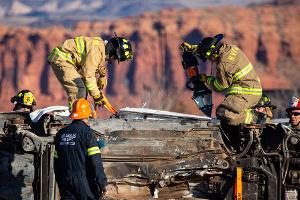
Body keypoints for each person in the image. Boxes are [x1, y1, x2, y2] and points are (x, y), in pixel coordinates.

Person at [181, 34, 262, 126]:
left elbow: (220, 86)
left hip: (247, 93)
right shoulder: (229, 48)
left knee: (223, 113)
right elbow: (209, 49)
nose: (210, 60)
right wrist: (192, 48)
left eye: (209, 58)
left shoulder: (224, 64)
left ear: (213, 54)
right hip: (252, 89)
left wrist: (206, 79)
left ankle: (255, 118)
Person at [48, 34, 133, 110]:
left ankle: (79, 117)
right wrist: (97, 96)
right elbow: (88, 76)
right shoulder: (96, 51)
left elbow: (89, 76)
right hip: (62, 59)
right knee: (78, 88)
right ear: (114, 52)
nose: (112, 60)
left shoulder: (100, 50)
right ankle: (75, 119)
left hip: (66, 60)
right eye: (115, 58)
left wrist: (102, 77)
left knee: (83, 88)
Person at [54, 98, 107, 199]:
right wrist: (102, 183)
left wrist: (60, 181)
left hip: (65, 180)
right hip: (83, 181)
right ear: (87, 114)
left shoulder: (60, 134)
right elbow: (95, 161)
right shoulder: (87, 133)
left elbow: (56, 162)